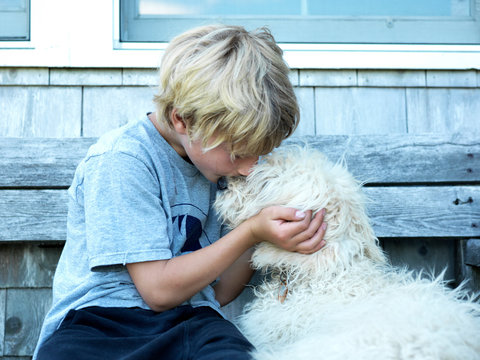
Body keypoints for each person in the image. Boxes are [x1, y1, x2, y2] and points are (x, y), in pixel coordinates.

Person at [34, 24, 327, 360]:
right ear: (182, 121)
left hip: (195, 324)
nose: (249, 168)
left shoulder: (222, 166)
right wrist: (251, 231)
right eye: (237, 153)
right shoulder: (122, 160)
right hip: (100, 327)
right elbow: (157, 291)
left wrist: (266, 235)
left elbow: (220, 292)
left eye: (257, 153)